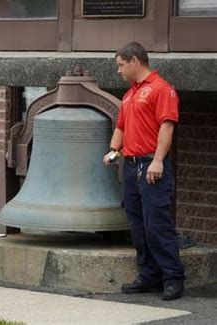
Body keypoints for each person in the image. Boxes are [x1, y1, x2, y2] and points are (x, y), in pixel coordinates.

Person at [103, 42, 185, 300]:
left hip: (152, 165)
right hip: (132, 165)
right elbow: (122, 126)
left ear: (135, 61)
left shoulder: (162, 89)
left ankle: (173, 277)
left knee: (157, 224)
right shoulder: (130, 93)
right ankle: (150, 277)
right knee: (138, 226)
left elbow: (167, 127)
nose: (119, 71)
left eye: (121, 65)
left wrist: (158, 161)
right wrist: (114, 150)